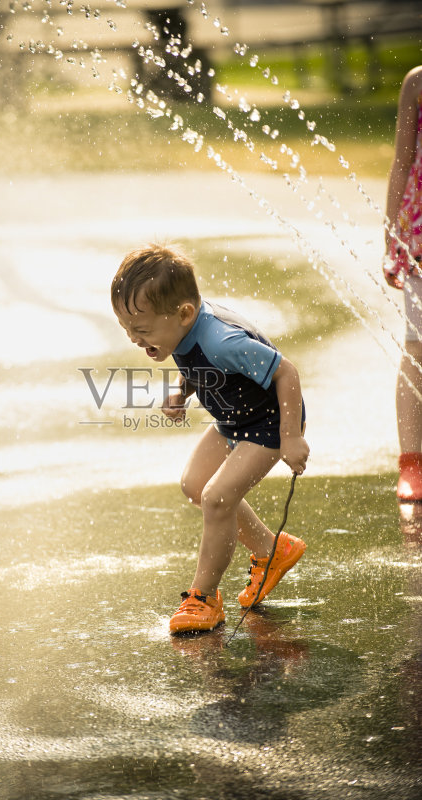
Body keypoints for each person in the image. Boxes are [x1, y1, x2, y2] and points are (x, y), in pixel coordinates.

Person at [111, 244, 309, 634]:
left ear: (184, 313)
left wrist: (291, 437)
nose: (134, 338)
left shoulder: (223, 340)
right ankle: (273, 551)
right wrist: (183, 392)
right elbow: (198, 359)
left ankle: (204, 598)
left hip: (270, 423)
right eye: (127, 329)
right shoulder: (182, 326)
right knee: (196, 485)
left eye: (142, 329)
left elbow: (287, 373)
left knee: (217, 498)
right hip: (233, 419)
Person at [384, 66, 422, 502]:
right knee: (415, 346)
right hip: (418, 234)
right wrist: (390, 236)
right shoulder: (416, 82)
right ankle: (411, 463)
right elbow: (401, 160)